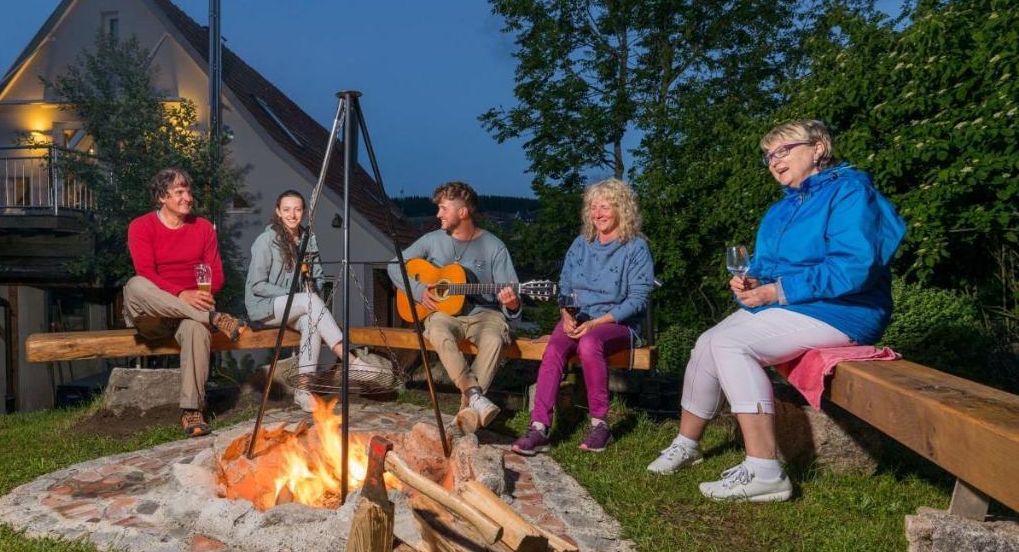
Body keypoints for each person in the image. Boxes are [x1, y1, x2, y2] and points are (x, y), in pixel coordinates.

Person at [646, 120, 906, 502]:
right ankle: (687, 444)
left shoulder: (850, 192)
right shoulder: (780, 212)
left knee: (731, 344)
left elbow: (854, 266)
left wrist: (778, 291)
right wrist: (749, 286)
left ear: (818, 149)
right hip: (795, 305)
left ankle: (765, 469)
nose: (774, 160)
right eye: (769, 155)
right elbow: (764, 272)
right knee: (706, 343)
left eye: (784, 150)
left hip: (844, 310)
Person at [512, 179, 655, 456]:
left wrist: (595, 324)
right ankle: (539, 427)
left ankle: (600, 425)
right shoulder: (581, 244)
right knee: (554, 349)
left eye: (605, 206)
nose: (598, 213)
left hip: (617, 323)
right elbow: (564, 289)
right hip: (579, 319)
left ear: (621, 209)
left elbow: (637, 300)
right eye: (593, 207)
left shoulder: (635, 247)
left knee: (590, 343)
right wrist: (565, 315)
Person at [388, 181, 521, 433]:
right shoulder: (431, 240)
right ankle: (475, 398)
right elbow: (394, 265)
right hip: (444, 314)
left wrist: (512, 304)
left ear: (463, 212)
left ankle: (467, 406)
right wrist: (417, 291)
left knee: (494, 338)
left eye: (443, 208)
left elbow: (511, 299)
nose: (438, 214)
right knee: (437, 330)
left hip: (485, 315)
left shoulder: (494, 247)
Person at [122, 167, 247, 438]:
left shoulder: (202, 228)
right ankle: (213, 318)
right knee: (135, 285)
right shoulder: (141, 226)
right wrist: (181, 294)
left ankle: (191, 411)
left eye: (189, 191)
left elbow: (217, 275)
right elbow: (146, 272)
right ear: (161, 198)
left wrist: (202, 295)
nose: (187, 197)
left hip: (188, 316)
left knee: (195, 328)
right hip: (151, 314)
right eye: (179, 192)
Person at [246, 189, 363, 412]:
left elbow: (318, 278)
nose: (292, 215)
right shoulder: (266, 241)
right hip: (265, 307)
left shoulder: (308, 240)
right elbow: (257, 285)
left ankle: (303, 390)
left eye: (297, 209)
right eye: (287, 209)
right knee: (308, 303)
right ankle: (349, 359)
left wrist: (312, 285)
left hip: (297, 307)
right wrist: (293, 294)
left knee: (312, 321)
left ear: (304, 212)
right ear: (278, 212)